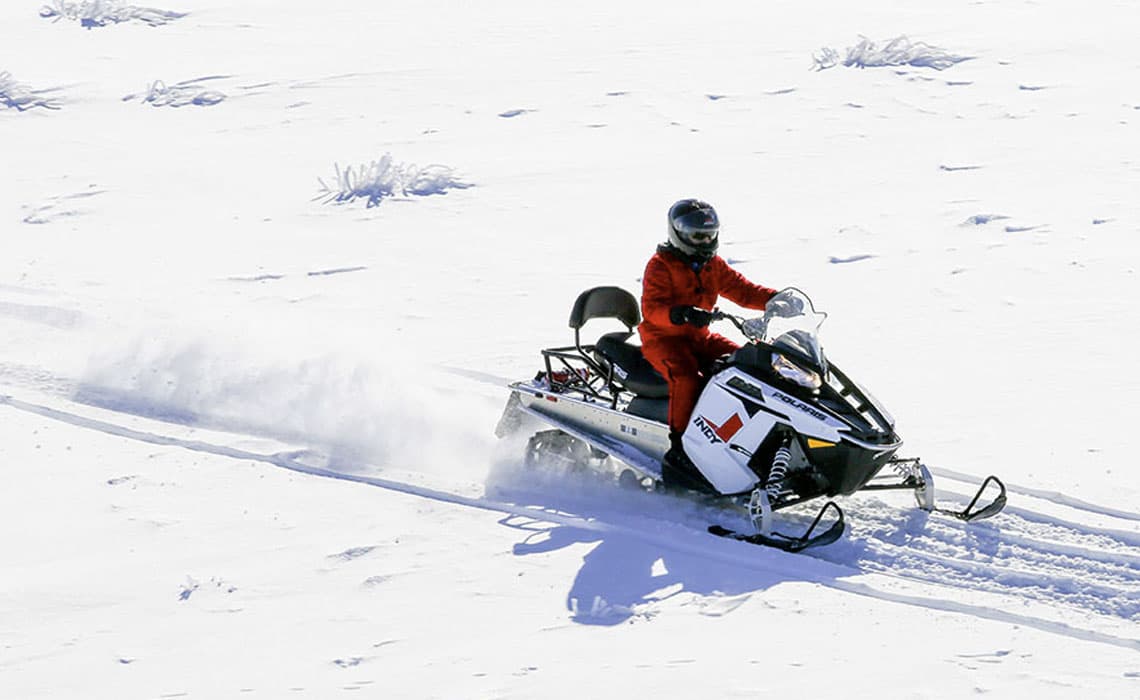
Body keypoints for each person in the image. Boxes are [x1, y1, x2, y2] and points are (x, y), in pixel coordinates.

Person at [639, 198, 777, 491]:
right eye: (697, 235)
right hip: (663, 340)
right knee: (687, 377)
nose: (705, 240)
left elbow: (742, 290)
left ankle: (742, 440)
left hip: (699, 338)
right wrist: (680, 314)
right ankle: (679, 449)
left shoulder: (712, 265)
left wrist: (775, 300)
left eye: (710, 234)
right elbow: (652, 309)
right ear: (678, 234)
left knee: (745, 362)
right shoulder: (661, 265)